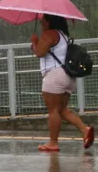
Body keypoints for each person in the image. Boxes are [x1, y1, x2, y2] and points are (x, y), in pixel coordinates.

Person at [31, 14, 94, 152]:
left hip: (54, 76)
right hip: (67, 77)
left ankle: (53, 143)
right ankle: (85, 130)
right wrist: (36, 45)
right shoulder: (63, 35)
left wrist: (35, 42)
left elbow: (40, 53)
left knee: (53, 110)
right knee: (61, 110)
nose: (41, 23)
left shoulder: (49, 34)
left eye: (43, 21)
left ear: (49, 22)